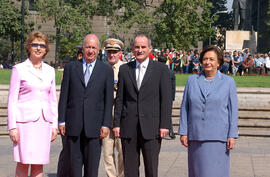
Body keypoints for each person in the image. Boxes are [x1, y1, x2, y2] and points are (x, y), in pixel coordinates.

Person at [113, 35, 172, 177]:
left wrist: (165, 125)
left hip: (151, 127)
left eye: (143, 47)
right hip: (128, 127)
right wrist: (116, 124)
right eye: (137, 47)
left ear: (149, 49)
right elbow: (120, 99)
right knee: (130, 170)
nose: (140, 50)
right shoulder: (125, 70)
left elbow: (166, 100)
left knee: (151, 169)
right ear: (132, 49)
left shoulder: (161, 70)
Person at [58, 34, 114, 177]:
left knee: (92, 168)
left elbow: (108, 101)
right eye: (88, 47)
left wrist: (106, 124)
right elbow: (64, 96)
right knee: (74, 168)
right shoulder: (71, 68)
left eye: (94, 48)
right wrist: (62, 120)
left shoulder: (106, 70)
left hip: (95, 127)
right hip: (73, 124)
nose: (90, 51)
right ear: (82, 48)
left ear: (99, 49)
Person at [178, 45, 238, 177]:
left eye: (211, 59)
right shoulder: (192, 80)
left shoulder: (228, 82)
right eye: (205, 59)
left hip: (218, 138)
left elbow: (233, 110)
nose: (207, 62)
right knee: (197, 172)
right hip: (196, 136)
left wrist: (232, 135)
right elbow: (185, 107)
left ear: (219, 62)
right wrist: (183, 131)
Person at [8, 31, 58, 177]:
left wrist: (54, 124)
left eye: (42, 45)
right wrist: (12, 127)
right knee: (23, 163)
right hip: (24, 124)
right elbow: (12, 100)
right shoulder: (19, 69)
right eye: (35, 44)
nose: (38, 48)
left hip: (43, 123)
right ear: (29, 47)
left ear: (46, 49)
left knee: (38, 163)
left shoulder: (50, 71)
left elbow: (53, 99)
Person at [102, 38, 125, 177]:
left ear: (120, 53)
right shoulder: (102, 69)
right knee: (107, 154)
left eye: (114, 52)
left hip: (121, 120)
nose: (111, 55)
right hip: (105, 120)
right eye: (109, 52)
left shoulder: (126, 69)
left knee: (122, 154)